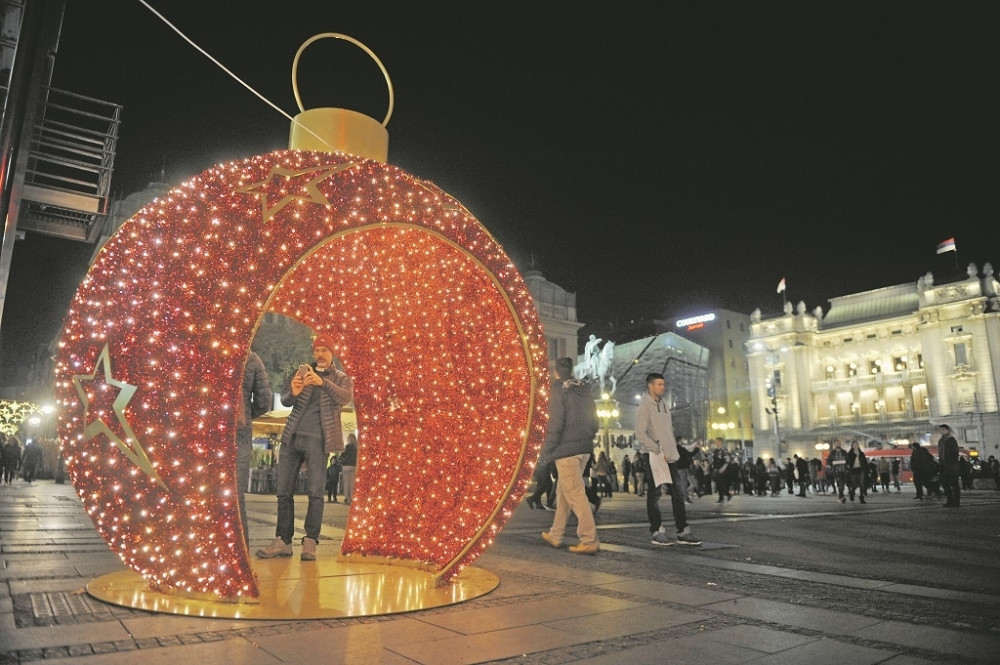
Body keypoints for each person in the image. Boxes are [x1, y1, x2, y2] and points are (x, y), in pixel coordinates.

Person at [256, 333, 353, 561]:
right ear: (313, 353)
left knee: (316, 494)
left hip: (318, 441)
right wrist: (294, 392)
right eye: (317, 350)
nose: (320, 354)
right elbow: (287, 400)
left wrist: (323, 382)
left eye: (325, 351)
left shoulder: (340, 378)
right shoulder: (301, 373)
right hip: (291, 438)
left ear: (332, 353)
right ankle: (283, 541)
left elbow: (345, 397)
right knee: (283, 492)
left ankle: (310, 541)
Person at [539, 357, 600, 555]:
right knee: (564, 493)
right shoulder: (583, 390)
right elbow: (595, 420)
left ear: (556, 372)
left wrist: (547, 449)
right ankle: (556, 534)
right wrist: (588, 436)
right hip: (584, 448)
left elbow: (555, 423)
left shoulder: (557, 390)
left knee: (574, 494)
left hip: (566, 449)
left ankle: (589, 539)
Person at [635, 372, 700, 546]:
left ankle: (682, 531)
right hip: (654, 455)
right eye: (659, 384)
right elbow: (640, 434)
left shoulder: (663, 404)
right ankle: (656, 531)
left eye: (663, 384)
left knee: (678, 493)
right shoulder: (645, 406)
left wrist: (671, 449)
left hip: (670, 455)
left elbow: (668, 430)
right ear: (650, 386)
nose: (663, 387)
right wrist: (655, 448)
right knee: (655, 494)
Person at [236, 350, 272, 549]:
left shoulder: (208, 353)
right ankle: (241, 555)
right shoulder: (251, 358)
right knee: (236, 497)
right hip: (239, 434)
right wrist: (247, 414)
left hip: (211, 434)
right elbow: (264, 402)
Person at [937, 424, 961, 507]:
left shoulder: (951, 440)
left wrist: (951, 464)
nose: (941, 431)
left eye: (943, 429)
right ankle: (950, 501)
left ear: (948, 430)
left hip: (951, 466)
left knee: (954, 485)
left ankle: (956, 502)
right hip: (943, 466)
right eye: (940, 430)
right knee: (945, 484)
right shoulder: (941, 440)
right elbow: (940, 453)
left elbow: (955, 453)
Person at [710, 437, 732, 503]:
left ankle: (725, 495)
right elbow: (714, 460)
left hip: (722, 469)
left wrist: (723, 468)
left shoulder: (724, 450)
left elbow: (727, 460)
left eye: (716, 441)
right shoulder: (715, 450)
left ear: (720, 442)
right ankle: (722, 497)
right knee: (718, 483)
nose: (715, 443)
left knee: (720, 483)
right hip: (716, 469)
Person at [827, 438, 848, 503]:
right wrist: (831, 464)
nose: (838, 444)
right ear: (834, 444)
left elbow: (848, 460)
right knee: (840, 484)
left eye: (838, 443)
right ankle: (841, 497)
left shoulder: (844, 452)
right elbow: (829, 460)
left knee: (843, 485)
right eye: (836, 443)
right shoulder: (832, 452)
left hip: (844, 470)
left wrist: (847, 464)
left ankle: (841, 496)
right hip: (836, 471)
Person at [340, 434, 358, 505]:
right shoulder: (357, 448)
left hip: (346, 466)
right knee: (352, 483)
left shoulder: (347, 447)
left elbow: (343, 455)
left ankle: (346, 498)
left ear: (349, 439)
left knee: (346, 483)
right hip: (354, 466)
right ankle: (351, 498)